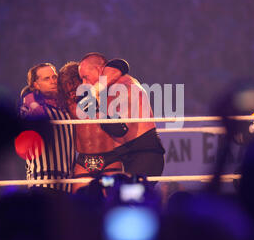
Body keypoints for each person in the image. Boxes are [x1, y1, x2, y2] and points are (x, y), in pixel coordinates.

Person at [78, 53, 165, 180]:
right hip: (126, 156)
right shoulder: (105, 91)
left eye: (85, 77)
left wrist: (94, 96)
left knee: (132, 196)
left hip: (145, 153)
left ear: (99, 70)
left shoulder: (123, 84)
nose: (84, 83)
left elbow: (119, 129)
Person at [57, 61, 127, 193]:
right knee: (80, 202)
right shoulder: (66, 103)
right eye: (68, 91)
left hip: (110, 158)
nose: (72, 94)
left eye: (73, 89)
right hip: (84, 160)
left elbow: (119, 71)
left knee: (111, 199)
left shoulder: (101, 94)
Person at [18, 62, 75, 192]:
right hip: (42, 181)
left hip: (67, 182)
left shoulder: (64, 107)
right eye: (46, 79)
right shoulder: (29, 107)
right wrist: (30, 99)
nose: (53, 81)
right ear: (36, 85)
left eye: (54, 77)